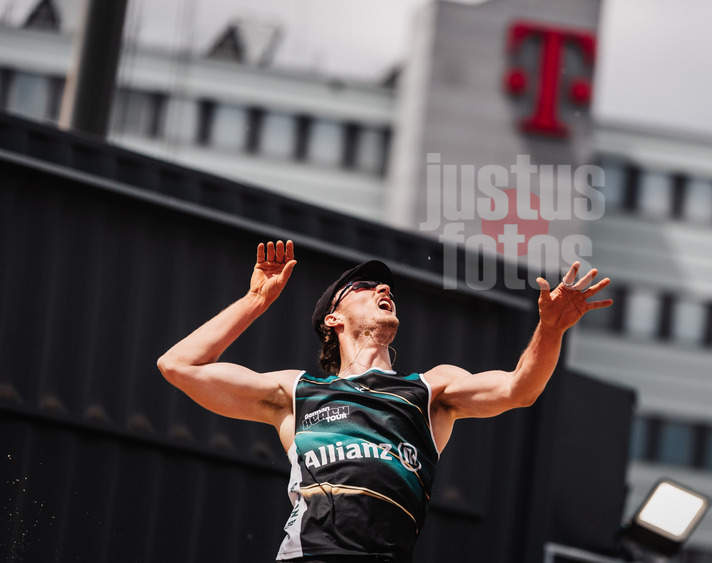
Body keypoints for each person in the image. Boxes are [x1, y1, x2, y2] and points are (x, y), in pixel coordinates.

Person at [157, 239, 612, 563]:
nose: (383, 289)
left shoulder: (431, 390)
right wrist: (256, 300)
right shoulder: (298, 392)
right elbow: (179, 366)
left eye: (386, 287)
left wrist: (551, 329)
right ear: (332, 319)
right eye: (364, 286)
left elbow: (520, 389)